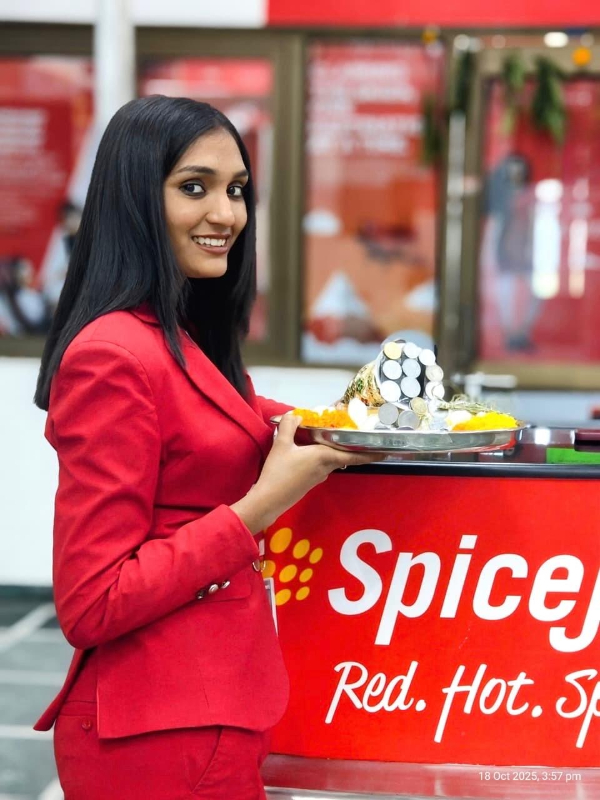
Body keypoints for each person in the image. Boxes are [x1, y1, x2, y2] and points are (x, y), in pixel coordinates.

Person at [32, 96, 377, 800]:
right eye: (195, 187)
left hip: (206, 715)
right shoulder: (112, 355)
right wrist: (260, 507)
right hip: (157, 735)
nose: (227, 214)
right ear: (135, 198)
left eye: (237, 190)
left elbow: (227, 425)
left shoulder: (180, 338)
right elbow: (93, 600)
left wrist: (365, 424)